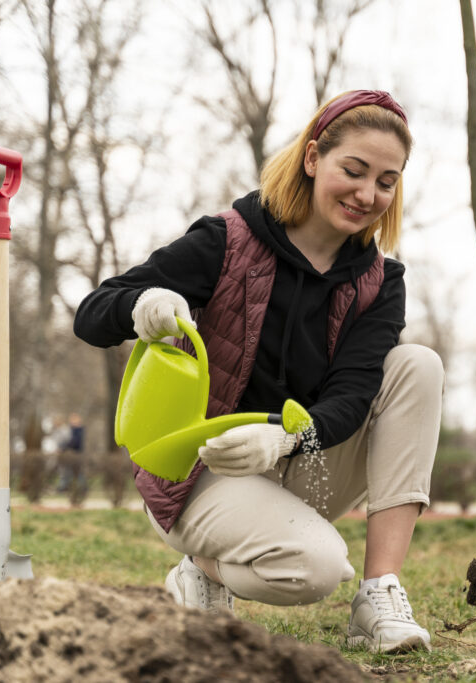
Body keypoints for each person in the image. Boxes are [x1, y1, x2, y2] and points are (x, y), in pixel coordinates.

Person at [74, 90, 443, 654]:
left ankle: (379, 593)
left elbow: (352, 395)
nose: (368, 194)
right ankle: (200, 569)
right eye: (355, 170)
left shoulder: (378, 280)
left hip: (291, 459)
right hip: (198, 475)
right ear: (314, 157)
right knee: (315, 571)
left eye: (387, 181)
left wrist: (284, 437)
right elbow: (92, 314)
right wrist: (141, 304)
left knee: (417, 364)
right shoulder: (227, 240)